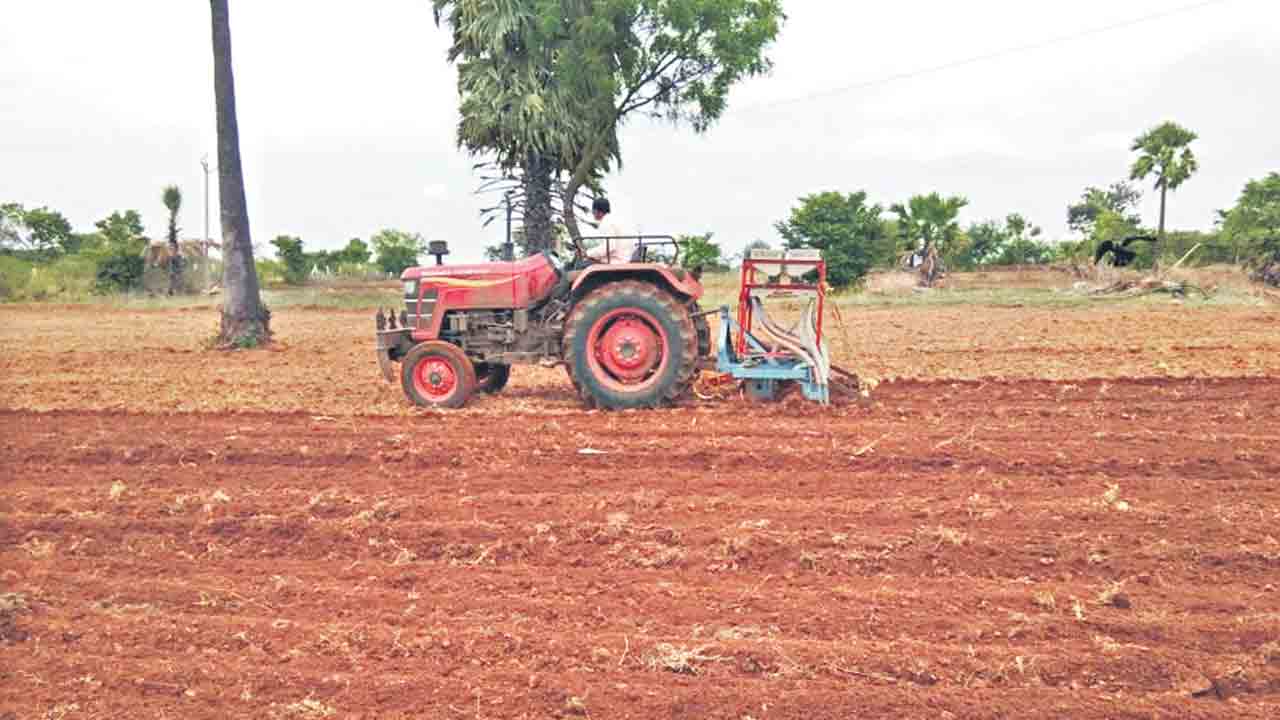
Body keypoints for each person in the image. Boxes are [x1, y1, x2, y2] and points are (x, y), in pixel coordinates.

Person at [585, 197, 638, 264]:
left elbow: (609, 247)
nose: (592, 213)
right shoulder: (615, 219)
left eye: (593, 211)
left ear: (597, 211)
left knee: (583, 264)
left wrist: (587, 253)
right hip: (626, 256)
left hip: (617, 260)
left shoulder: (606, 222)